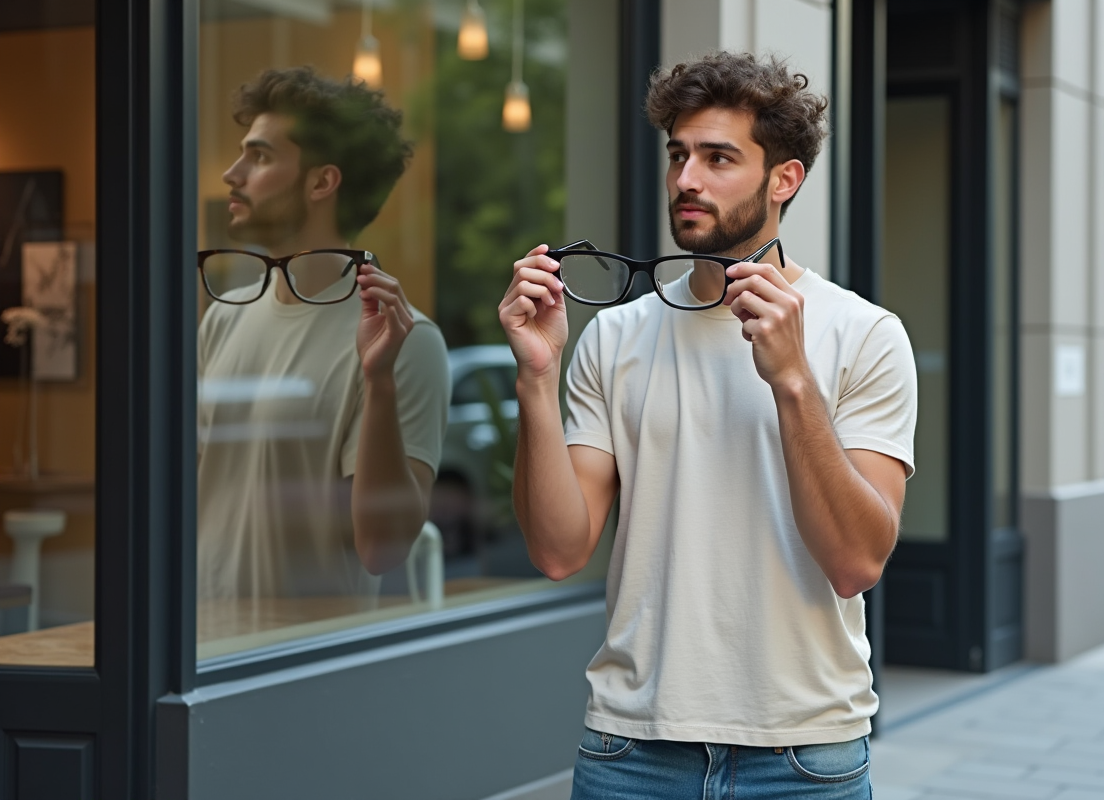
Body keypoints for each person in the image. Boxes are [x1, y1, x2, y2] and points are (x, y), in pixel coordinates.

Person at [498, 52, 917, 798]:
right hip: (632, 750)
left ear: (784, 179)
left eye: (718, 158)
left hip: (802, 755)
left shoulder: (865, 334)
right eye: (678, 155)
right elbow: (559, 551)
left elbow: (857, 562)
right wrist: (537, 377)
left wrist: (793, 381)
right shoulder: (616, 337)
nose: (686, 179)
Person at [197, 67, 449, 605]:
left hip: (308, 650)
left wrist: (379, 380)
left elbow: (382, 549)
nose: (231, 174)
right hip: (199, 644)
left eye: (259, 156)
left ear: (321, 183)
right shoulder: (223, 318)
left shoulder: (408, 341)